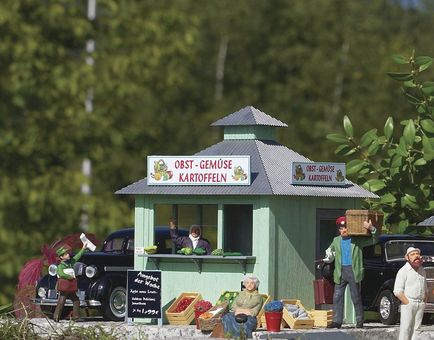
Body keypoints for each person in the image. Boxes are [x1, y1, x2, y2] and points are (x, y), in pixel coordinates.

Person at [324, 216, 377, 329]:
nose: (343, 230)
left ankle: (359, 320)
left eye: (345, 228)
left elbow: (374, 239)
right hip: (340, 271)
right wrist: (328, 255)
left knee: (356, 296)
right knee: (337, 296)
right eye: (341, 228)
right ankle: (337, 321)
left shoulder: (357, 240)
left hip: (353, 270)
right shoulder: (336, 240)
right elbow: (330, 250)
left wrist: (371, 228)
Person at [393, 247, 427, 340]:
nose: (416, 256)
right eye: (412, 254)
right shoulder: (403, 271)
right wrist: (408, 303)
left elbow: (425, 287)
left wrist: (424, 301)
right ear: (407, 258)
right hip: (409, 302)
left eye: (417, 254)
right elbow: (397, 291)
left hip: (420, 303)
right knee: (406, 329)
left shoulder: (422, 270)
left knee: (417, 330)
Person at [53, 242, 87, 322]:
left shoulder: (70, 263)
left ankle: (76, 316)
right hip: (65, 287)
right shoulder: (60, 266)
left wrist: (83, 249)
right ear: (61, 257)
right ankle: (56, 316)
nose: (68, 255)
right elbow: (60, 273)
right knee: (62, 301)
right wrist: (69, 277)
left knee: (76, 300)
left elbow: (77, 257)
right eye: (66, 254)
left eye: (68, 254)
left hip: (71, 287)